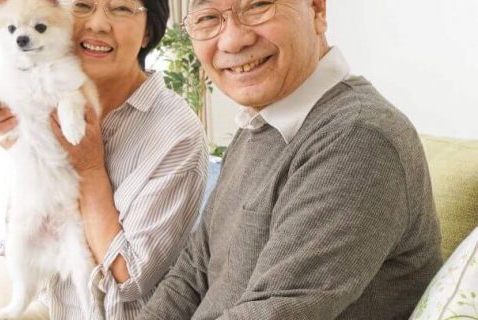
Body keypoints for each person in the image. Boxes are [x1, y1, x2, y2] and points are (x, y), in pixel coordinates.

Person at [138, 0, 442, 319]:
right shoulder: (260, 125)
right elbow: (191, 276)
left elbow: (276, 311)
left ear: (317, 10)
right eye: (208, 17)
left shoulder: (357, 136)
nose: (232, 40)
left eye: (257, 5)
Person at [0, 0, 208, 319]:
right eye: (83, 5)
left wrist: (89, 167)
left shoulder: (176, 132)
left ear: (148, 32)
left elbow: (130, 280)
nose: (98, 24)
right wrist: (29, 148)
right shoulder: (44, 90)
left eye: (121, 9)